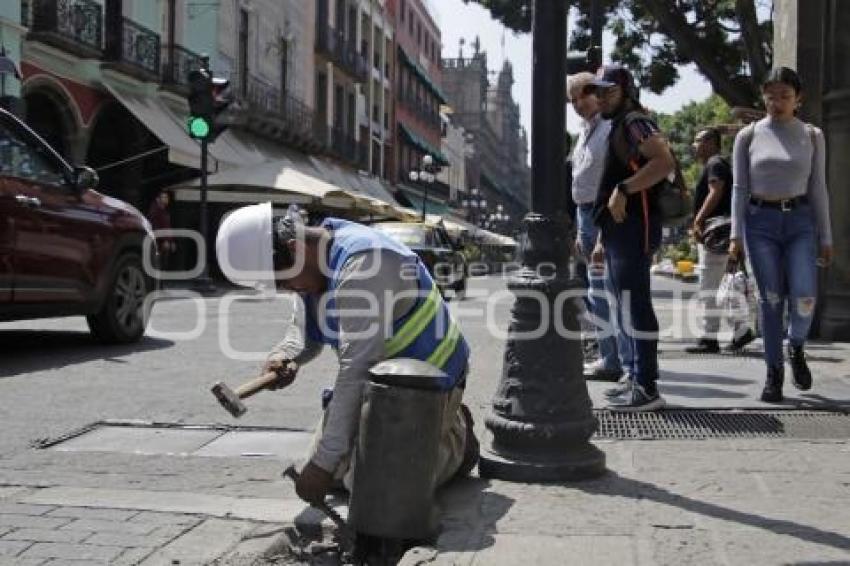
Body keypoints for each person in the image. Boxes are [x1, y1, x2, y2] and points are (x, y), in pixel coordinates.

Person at [215, 203, 478, 504]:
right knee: (340, 475)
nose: (289, 289)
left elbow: (357, 366)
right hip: (378, 390)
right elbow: (304, 330)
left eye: (284, 282)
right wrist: (285, 355)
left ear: (296, 248)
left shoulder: (366, 263)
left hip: (428, 387)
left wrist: (324, 462)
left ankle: (458, 439)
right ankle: (393, 451)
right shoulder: (311, 266)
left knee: (373, 487)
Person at [729, 67, 833, 403]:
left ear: (798, 99)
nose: (777, 102)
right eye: (771, 95)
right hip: (760, 222)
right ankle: (773, 374)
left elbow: (819, 188)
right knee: (770, 300)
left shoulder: (813, 135)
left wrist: (827, 237)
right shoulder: (748, 136)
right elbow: (739, 187)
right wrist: (736, 235)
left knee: (805, 296)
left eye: (785, 95)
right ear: (763, 97)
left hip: (801, 220)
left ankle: (797, 345)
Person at [589, 65, 676, 411]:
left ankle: (647, 387)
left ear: (625, 91)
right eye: (597, 91)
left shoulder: (634, 120)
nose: (600, 97)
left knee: (636, 304)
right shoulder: (619, 124)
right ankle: (638, 378)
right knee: (626, 305)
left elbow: (663, 161)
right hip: (619, 230)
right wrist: (601, 237)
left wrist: (624, 189)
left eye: (608, 91)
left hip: (634, 227)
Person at [567, 71, 631, 382]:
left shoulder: (609, 129)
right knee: (597, 293)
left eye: (584, 94)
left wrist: (603, 232)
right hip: (586, 216)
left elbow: (611, 181)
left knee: (612, 290)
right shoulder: (585, 131)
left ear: (600, 94)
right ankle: (610, 359)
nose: (579, 103)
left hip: (604, 214)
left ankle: (626, 362)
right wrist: (581, 229)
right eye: (573, 99)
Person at [686, 127, 755, 354]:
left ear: (710, 142)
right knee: (726, 285)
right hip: (724, 233)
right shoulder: (720, 163)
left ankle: (709, 337)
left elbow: (716, 191)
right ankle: (740, 331)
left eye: (697, 141)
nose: (694, 146)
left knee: (710, 284)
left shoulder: (715, 163)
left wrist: (698, 219)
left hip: (716, 234)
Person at [147, 191, 175, 270]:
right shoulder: (155, 211)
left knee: (163, 264)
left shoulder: (165, 212)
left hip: (164, 242)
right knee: (158, 263)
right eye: (164, 197)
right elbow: (155, 227)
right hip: (158, 242)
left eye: (167, 197)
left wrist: (171, 241)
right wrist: (164, 240)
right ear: (158, 199)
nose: (166, 199)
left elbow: (167, 227)